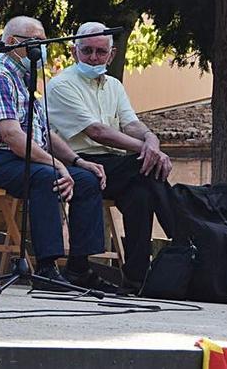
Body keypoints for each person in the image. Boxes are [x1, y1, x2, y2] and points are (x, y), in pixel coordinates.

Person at [0, 16, 112, 291]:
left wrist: (77, 161)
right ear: (12, 43)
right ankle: (47, 268)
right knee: (45, 175)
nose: (43, 48)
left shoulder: (23, 76)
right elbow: (12, 136)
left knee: (86, 179)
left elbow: (44, 134)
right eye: (37, 42)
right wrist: (57, 166)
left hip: (12, 157)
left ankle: (78, 269)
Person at [45, 21, 178, 289]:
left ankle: (136, 277)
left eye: (100, 52)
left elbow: (131, 123)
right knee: (145, 168)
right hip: (74, 160)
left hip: (111, 164)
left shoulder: (114, 86)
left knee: (141, 193)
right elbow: (97, 132)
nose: (94, 57)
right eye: (87, 51)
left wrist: (152, 138)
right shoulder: (61, 85)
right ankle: (184, 236)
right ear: (74, 52)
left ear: (112, 54)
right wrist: (147, 150)